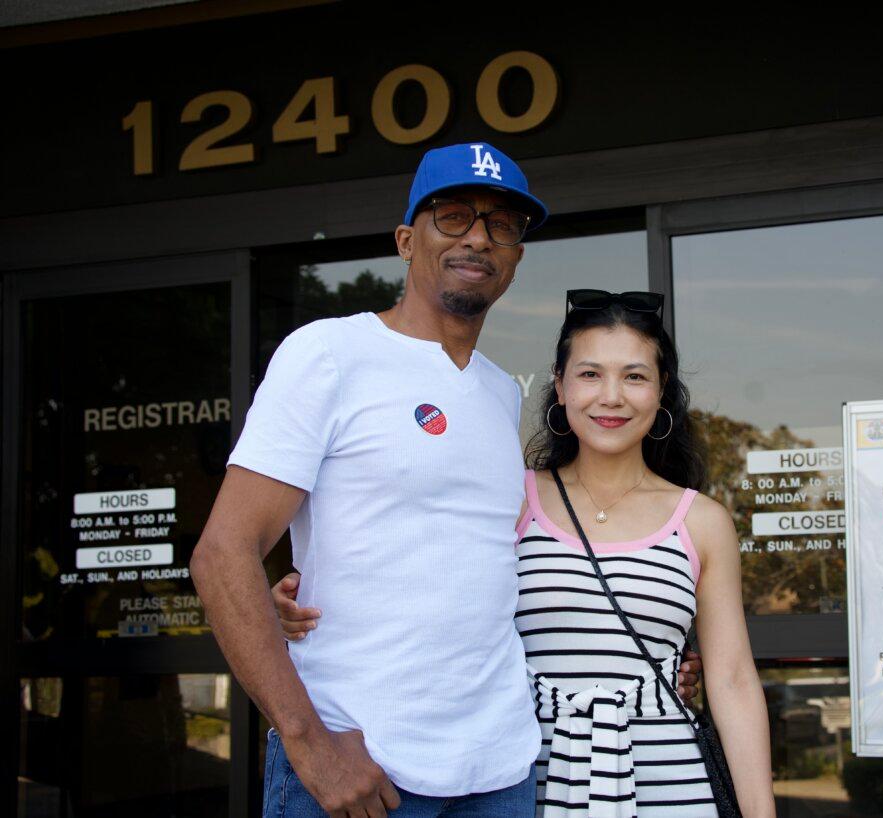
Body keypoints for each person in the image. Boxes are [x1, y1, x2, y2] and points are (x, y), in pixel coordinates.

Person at [191, 142, 697, 818]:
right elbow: (223, 553)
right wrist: (309, 743)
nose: (479, 238)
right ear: (406, 239)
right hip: (361, 766)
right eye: (453, 216)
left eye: (502, 225)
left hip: (499, 770)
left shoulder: (495, 392)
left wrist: (657, 652)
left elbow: (490, 566)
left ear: (516, 255)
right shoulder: (329, 353)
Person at [276, 290, 776, 816]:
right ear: (559, 387)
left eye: (634, 376)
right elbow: (417, 578)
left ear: (661, 391)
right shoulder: (512, 498)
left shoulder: (703, 521)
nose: (611, 396)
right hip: (523, 777)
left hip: (668, 779)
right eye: (589, 374)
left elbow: (735, 680)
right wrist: (296, 598)